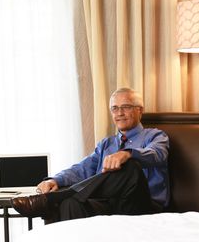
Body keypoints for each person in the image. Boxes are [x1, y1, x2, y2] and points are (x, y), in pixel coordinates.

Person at [11, 87, 169, 222]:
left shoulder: (155, 136)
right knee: (70, 203)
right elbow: (81, 169)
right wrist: (55, 179)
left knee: (130, 166)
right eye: (114, 108)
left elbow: (157, 154)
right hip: (108, 204)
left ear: (139, 110)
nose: (119, 113)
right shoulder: (106, 144)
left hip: (142, 205)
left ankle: (51, 200)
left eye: (126, 107)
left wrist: (127, 154)